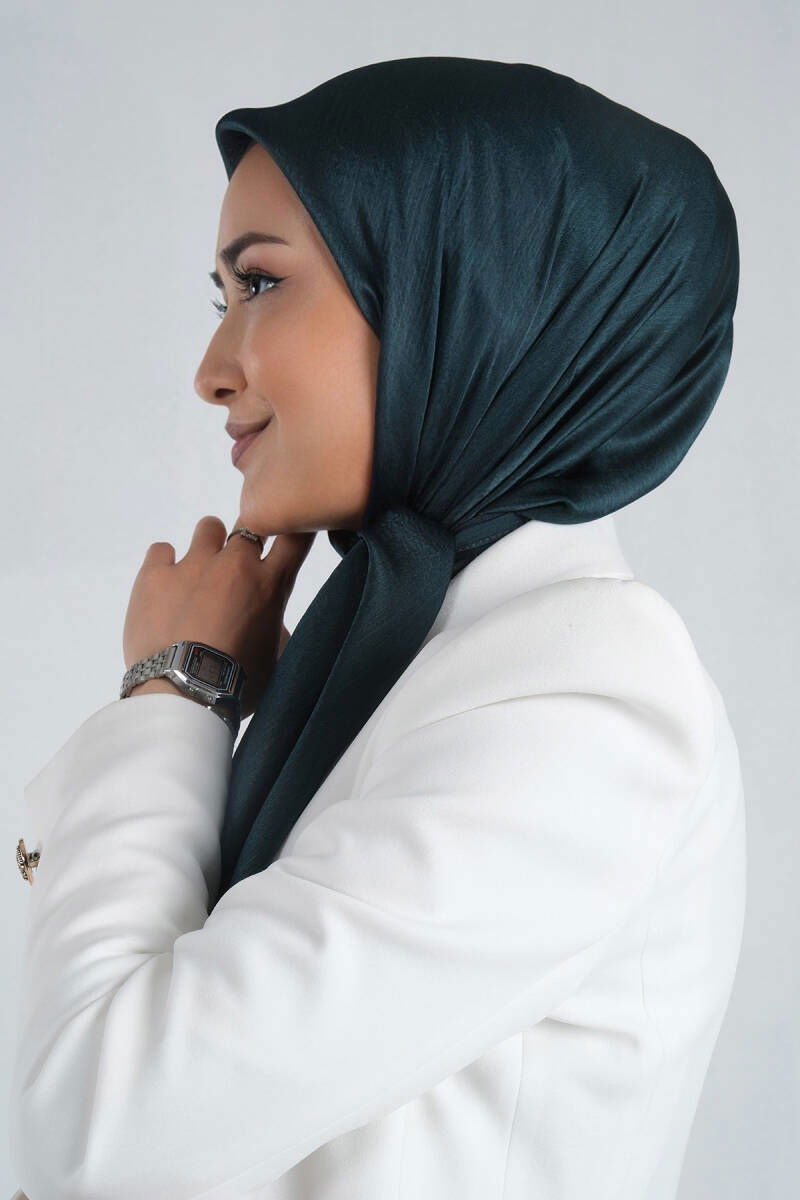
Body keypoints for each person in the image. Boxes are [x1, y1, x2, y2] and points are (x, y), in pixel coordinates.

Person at [8, 58, 745, 1199]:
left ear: (471, 294)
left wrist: (176, 688)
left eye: (261, 283)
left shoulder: (585, 695)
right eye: (221, 297)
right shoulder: (400, 652)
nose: (212, 371)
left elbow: (103, 1141)